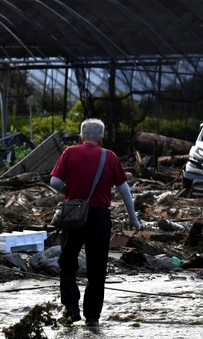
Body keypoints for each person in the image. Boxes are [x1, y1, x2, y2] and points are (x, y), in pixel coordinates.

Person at [50, 118, 140, 327]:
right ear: (101, 139)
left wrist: (70, 195)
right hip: (100, 218)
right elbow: (124, 190)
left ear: (80, 137)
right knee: (97, 269)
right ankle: (92, 318)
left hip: (74, 216)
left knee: (67, 262)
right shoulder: (109, 156)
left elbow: (54, 181)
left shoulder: (70, 152)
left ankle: (71, 309)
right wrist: (132, 218)